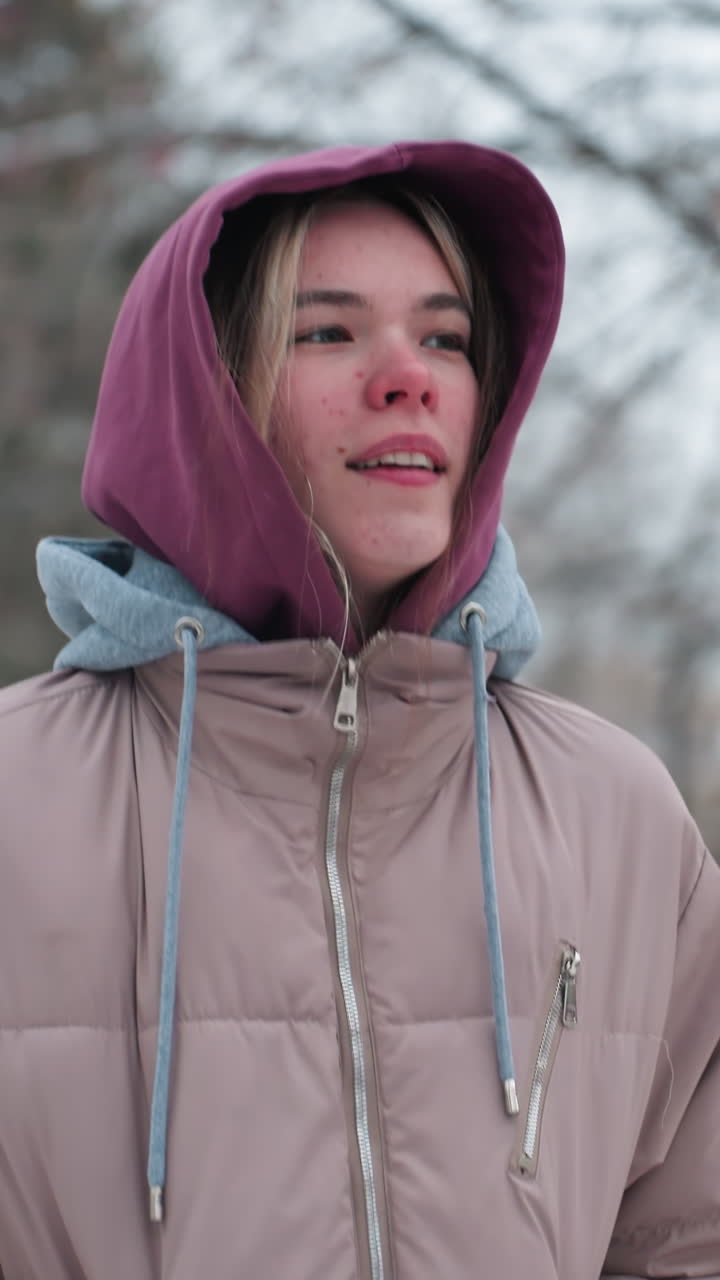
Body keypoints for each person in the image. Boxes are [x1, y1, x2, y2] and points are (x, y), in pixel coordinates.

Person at [0, 140, 718, 1280]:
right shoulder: (16, 799)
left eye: (447, 338)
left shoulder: (615, 813)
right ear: (202, 397)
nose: (408, 378)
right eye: (327, 331)